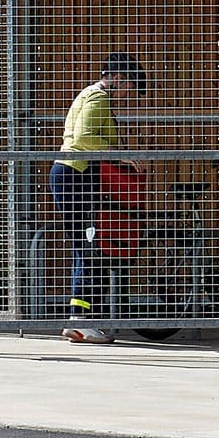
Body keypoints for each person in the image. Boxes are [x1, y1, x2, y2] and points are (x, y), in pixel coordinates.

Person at [51, 51, 161, 338]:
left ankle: (82, 317)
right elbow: (84, 138)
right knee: (90, 245)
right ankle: (81, 320)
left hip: (73, 175)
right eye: (128, 89)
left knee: (86, 246)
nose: (127, 97)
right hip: (76, 175)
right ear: (118, 79)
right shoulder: (98, 97)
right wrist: (120, 154)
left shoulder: (90, 95)